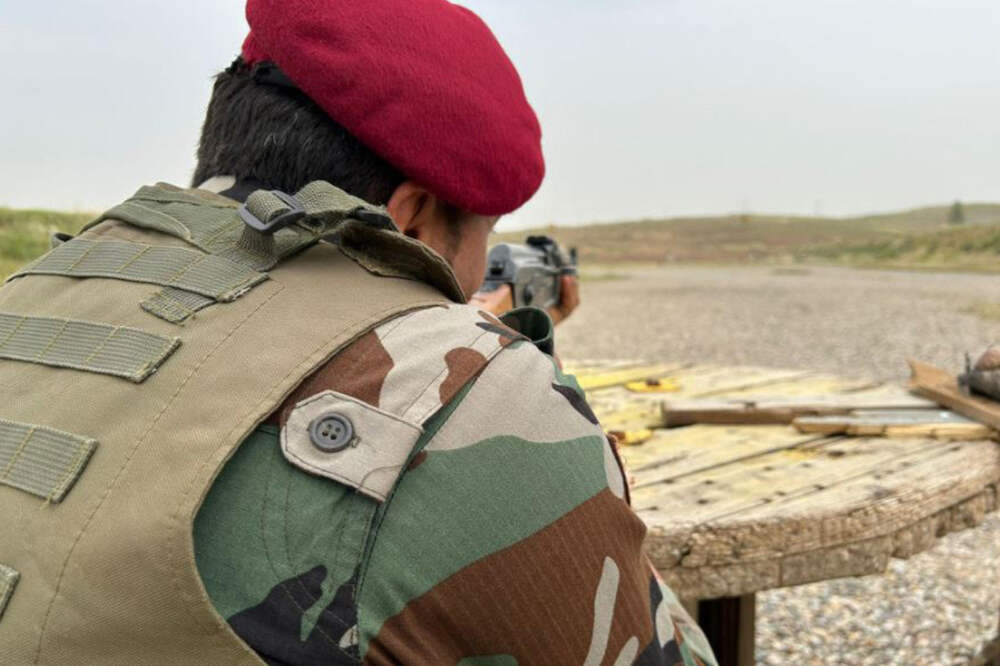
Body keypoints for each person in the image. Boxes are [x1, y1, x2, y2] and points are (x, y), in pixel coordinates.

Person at [0, 1, 716, 664]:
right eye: (484, 232)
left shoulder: (34, 291)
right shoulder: (482, 401)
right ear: (411, 219)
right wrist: (492, 368)